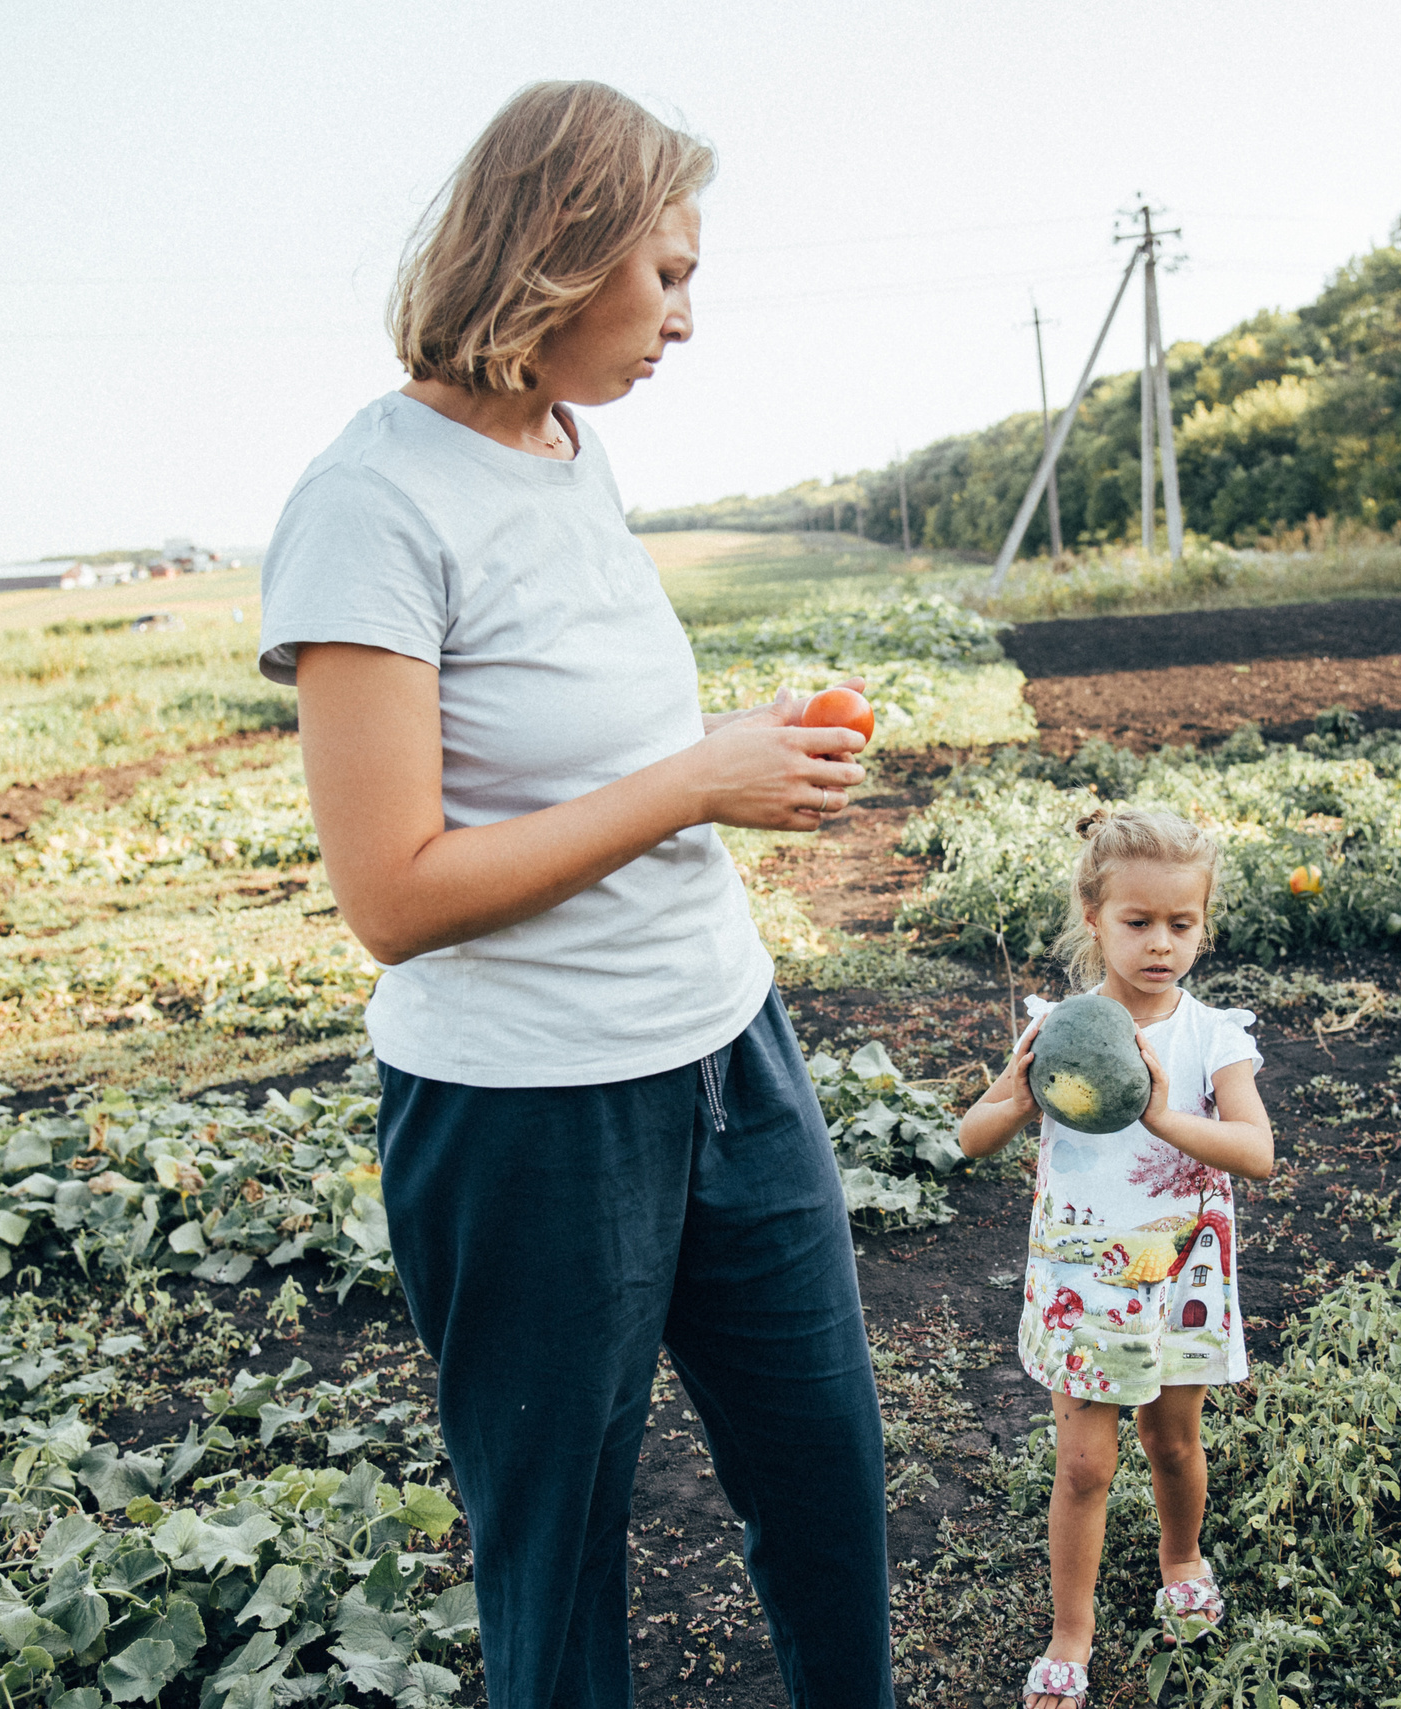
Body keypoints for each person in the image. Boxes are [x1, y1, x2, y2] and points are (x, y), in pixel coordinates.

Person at [255, 81, 892, 1709]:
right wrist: (695, 780)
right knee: (558, 1566)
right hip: (528, 1114)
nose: (690, 312)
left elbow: (568, 754)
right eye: (665, 273)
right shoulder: (368, 504)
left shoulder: (567, 445)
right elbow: (391, 894)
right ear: (558, 250)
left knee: (827, 1486)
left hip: (728, 1050)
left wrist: (740, 751)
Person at [956, 808, 1275, 1709]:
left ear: (1203, 925)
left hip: (1181, 1276)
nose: (1162, 943)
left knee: (1173, 1439)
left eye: (1183, 924)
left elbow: (1256, 1150)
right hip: (1085, 1280)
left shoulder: (1213, 1035)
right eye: (1139, 922)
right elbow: (971, 1138)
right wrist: (1019, 1096)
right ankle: (1071, 1633)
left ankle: (1181, 1556)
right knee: (1085, 1464)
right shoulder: (1057, 1028)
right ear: (1093, 917)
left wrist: (1164, 1111)